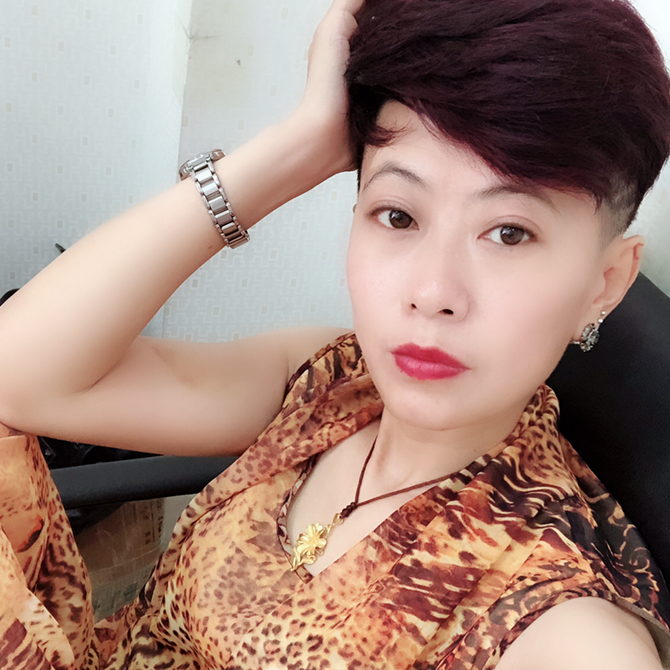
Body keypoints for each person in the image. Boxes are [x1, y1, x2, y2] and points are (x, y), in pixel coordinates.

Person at [0, 0, 668, 667]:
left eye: (509, 233)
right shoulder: (331, 382)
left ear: (605, 283)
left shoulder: (555, 620)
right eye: (398, 215)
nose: (432, 292)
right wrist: (296, 149)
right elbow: (16, 373)